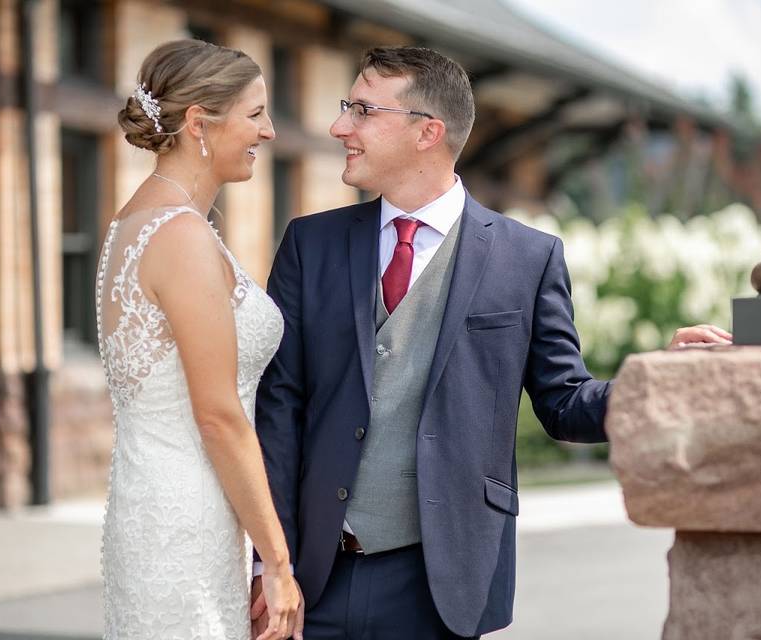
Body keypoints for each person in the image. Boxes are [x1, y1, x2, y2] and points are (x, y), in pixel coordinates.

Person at [251, 46, 731, 639]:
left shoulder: (526, 258)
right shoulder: (310, 244)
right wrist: (268, 561)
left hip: (442, 580)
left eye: (362, 110)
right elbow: (279, 409)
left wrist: (659, 378)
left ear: (427, 132)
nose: (339, 126)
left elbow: (564, 403)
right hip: (312, 577)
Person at [96, 39, 303, 640]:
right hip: (183, 520)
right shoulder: (180, 235)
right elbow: (217, 414)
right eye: (256, 113)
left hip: (161, 504)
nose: (268, 132)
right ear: (198, 123)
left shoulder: (135, 222)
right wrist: (279, 564)